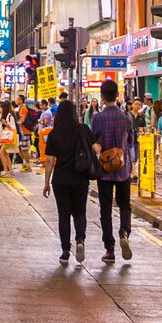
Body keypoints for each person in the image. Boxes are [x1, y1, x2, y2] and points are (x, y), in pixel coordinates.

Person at [42, 98, 94, 264]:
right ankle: (80, 240)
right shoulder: (83, 129)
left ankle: (65, 250)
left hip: (60, 180)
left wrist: (46, 182)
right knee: (79, 212)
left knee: (63, 215)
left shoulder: (54, 134)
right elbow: (95, 148)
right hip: (80, 178)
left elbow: (49, 160)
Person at [91, 79, 138, 262]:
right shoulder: (126, 117)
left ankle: (109, 249)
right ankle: (124, 232)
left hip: (104, 169)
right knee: (125, 205)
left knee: (105, 209)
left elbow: (95, 141)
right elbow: (131, 142)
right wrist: (131, 164)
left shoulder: (98, 118)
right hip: (123, 168)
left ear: (102, 97)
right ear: (117, 95)